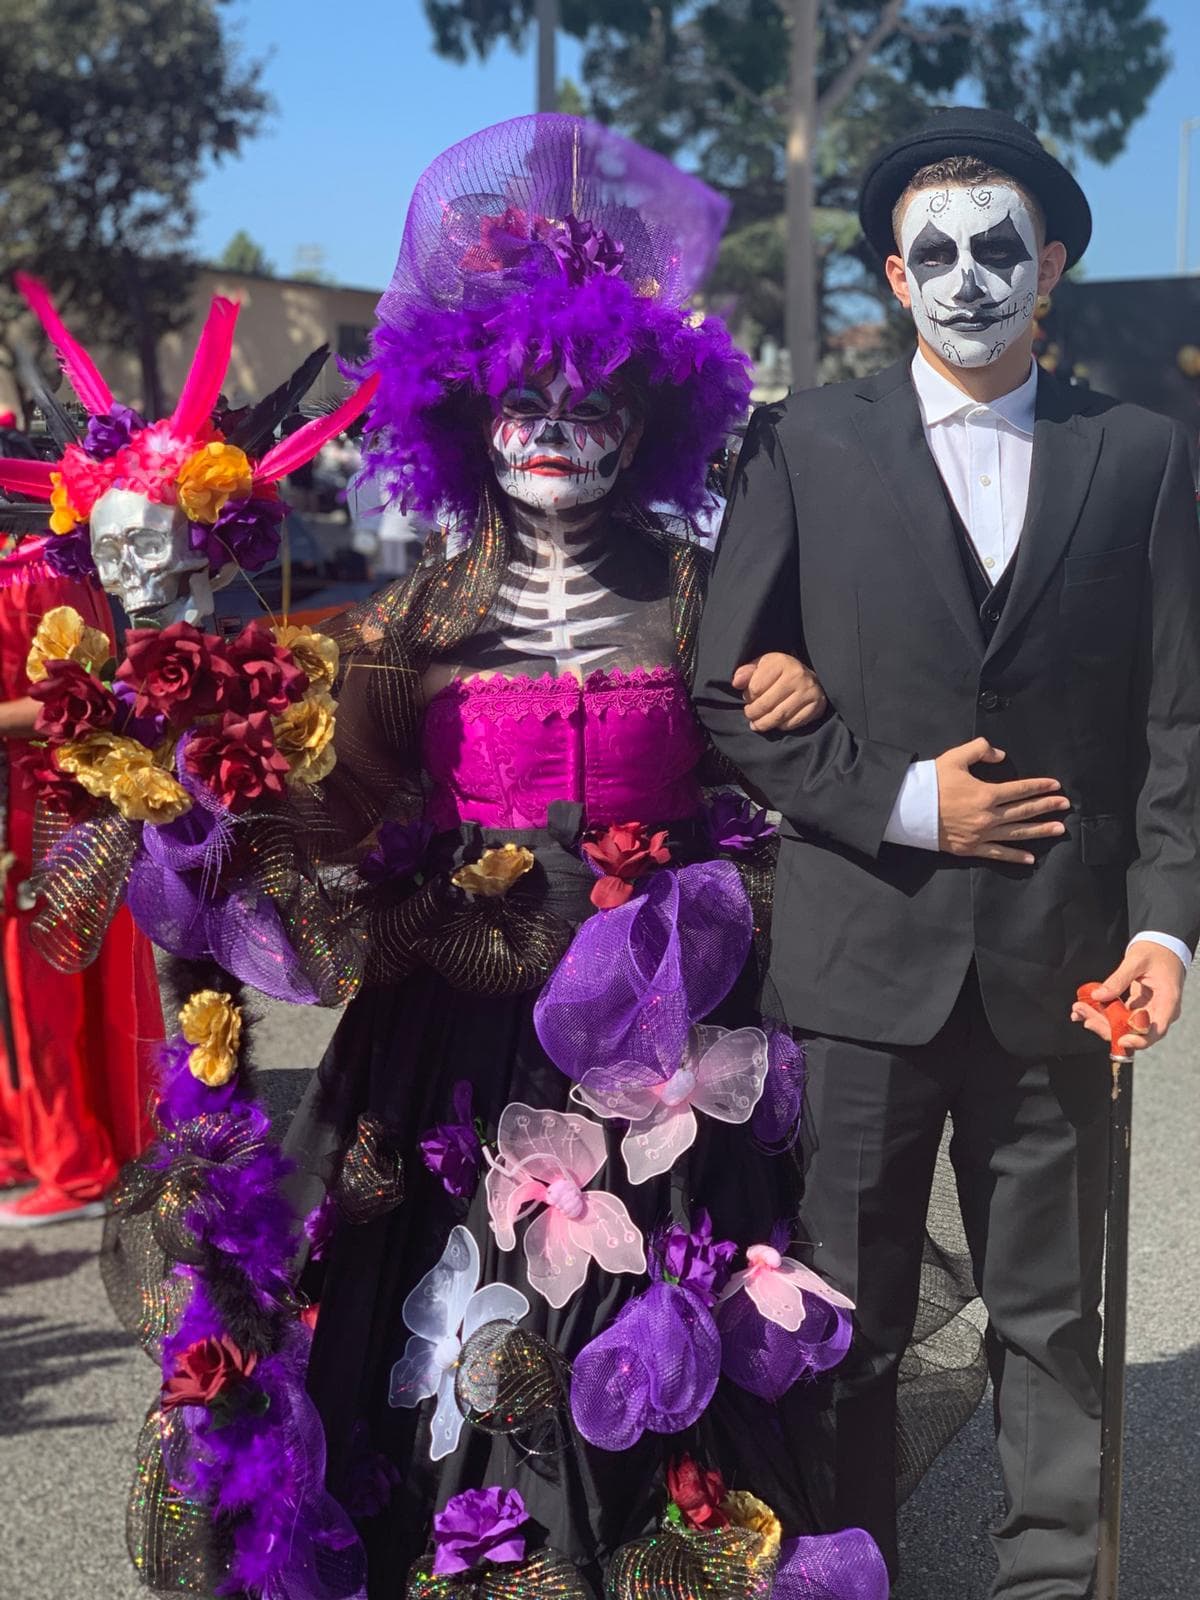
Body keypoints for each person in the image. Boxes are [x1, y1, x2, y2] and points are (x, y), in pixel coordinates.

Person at [270, 114, 876, 1600]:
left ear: (647, 418)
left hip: (664, 1025)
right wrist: (221, 820)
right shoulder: (405, 621)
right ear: (465, 415)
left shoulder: (702, 596)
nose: (556, 426)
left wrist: (803, 708)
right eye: (524, 399)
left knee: (660, 1301)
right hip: (456, 1025)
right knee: (447, 1305)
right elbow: (340, 821)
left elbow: (770, 758)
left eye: (592, 400)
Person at [695, 104, 1200, 1598]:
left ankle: (1053, 1577)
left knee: (1052, 1319)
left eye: (1001, 249)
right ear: (893, 282)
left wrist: (1165, 930)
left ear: (1050, 267)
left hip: (1064, 967)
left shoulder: (1143, 457)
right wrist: (906, 798)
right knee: (840, 1322)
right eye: (935, 252)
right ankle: (854, 1571)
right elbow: (729, 683)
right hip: (861, 970)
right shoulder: (806, 444)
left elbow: (1178, 720)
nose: (969, 275)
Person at [0, 541, 161, 1223]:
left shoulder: (37, 570)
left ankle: (76, 1163)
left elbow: (74, 701)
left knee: (45, 986)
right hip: (29, 795)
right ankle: (25, 1138)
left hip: (41, 802)